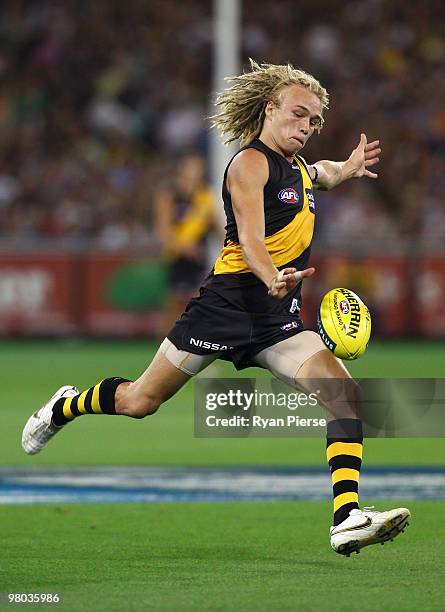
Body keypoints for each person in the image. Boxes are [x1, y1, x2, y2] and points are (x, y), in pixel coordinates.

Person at [22, 60, 410, 556]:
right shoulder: (249, 163)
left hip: (275, 322)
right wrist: (272, 275)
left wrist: (349, 168)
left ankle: (347, 517)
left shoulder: (298, 170)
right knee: (140, 402)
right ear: (270, 109)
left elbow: (324, 175)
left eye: (314, 121)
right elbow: (249, 237)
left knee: (345, 395)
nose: (307, 128)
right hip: (224, 308)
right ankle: (64, 405)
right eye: (298, 115)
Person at [154, 152, 218, 336]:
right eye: (192, 169)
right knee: (174, 306)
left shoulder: (205, 196)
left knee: (200, 303)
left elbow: (214, 227)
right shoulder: (170, 195)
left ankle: (193, 350)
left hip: (200, 257)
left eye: (199, 169)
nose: (196, 173)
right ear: (182, 171)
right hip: (177, 257)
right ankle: (164, 348)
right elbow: (163, 230)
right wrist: (184, 247)